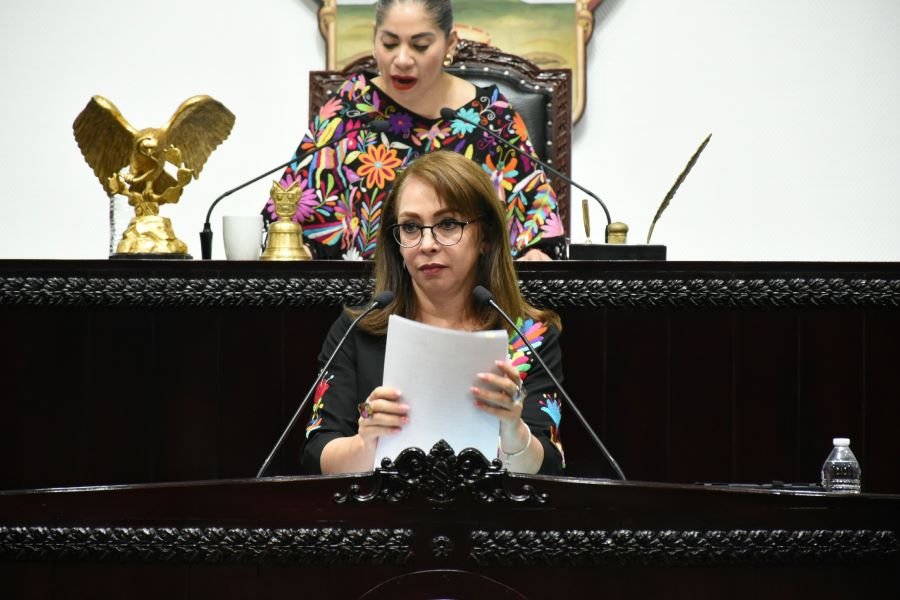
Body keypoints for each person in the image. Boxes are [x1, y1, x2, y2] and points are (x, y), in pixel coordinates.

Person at [301, 151, 565, 475]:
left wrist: (513, 429)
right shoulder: (357, 330)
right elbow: (317, 455)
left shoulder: (529, 336)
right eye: (411, 227)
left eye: (448, 224)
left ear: (486, 236)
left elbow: (549, 468)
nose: (427, 243)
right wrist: (367, 442)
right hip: (383, 522)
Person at [265, 0, 566, 261]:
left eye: (420, 45)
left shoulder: (489, 119)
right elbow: (289, 219)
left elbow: (538, 224)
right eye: (390, 43)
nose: (403, 59)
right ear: (374, 38)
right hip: (367, 309)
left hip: (474, 308)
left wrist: (536, 252)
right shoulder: (351, 111)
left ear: (450, 44)